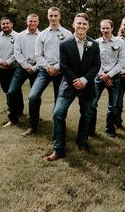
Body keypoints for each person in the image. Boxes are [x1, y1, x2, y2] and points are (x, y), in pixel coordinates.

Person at [43, 12, 101, 161]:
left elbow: (96, 66)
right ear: (74, 25)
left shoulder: (94, 45)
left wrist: (84, 80)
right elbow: (63, 65)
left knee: (87, 114)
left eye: (84, 24)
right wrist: (76, 80)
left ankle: (82, 142)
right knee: (58, 113)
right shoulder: (65, 44)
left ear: (88, 26)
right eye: (79, 23)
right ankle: (58, 149)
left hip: (87, 85)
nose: (81, 26)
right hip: (68, 84)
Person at [22, 7, 72, 136]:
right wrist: (48, 67)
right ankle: (33, 125)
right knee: (33, 96)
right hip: (44, 70)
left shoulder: (67, 34)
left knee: (59, 100)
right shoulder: (42, 34)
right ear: (47, 16)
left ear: (60, 16)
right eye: (51, 15)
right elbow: (38, 54)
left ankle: (58, 127)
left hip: (61, 71)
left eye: (55, 15)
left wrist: (57, 67)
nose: (53, 18)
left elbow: (70, 55)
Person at [3, 14, 40, 127]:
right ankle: (13, 119)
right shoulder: (20, 36)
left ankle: (34, 120)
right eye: (30, 21)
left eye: (34, 21)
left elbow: (44, 54)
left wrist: (34, 67)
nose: (32, 23)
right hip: (22, 67)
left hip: (37, 68)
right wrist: (26, 66)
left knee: (35, 96)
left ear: (38, 22)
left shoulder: (42, 35)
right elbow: (17, 52)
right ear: (26, 22)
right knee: (11, 92)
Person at [89, 19, 124, 138]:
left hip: (114, 77)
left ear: (112, 28)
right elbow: (94, 62)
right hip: (99, 77)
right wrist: (102, 75)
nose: (105, 30)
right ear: (100, 29)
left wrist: (109, 75)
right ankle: (90, 131)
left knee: (113, 105)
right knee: (92, 103)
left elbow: (121, 62)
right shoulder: (96, 42)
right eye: (103, 28)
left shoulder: (120, 42)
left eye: (107, 28)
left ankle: (110, 130)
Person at [0, 17, 22, 117]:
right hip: (1, 69)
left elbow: (19, 51)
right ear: (0, 25)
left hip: (15, 68)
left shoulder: (18, 36)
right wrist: (0, 62)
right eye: (3, 24)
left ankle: (13, 113)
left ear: (11, 24)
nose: (5, 25)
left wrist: (8, 62)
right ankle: (17, 111)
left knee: (14, 90)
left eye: (7, 23)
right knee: (7, 90)